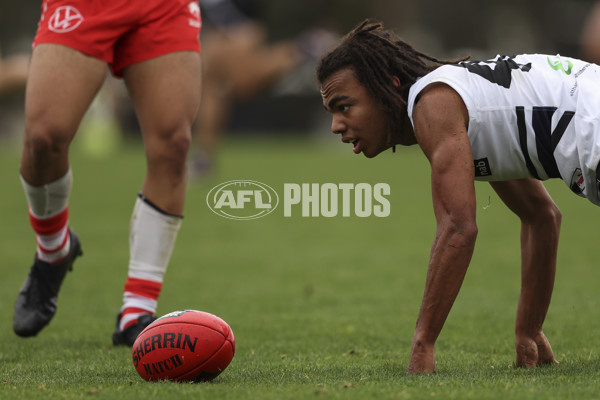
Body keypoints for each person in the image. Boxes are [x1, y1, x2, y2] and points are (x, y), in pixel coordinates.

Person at [315, 20, 600, 374]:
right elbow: (541, 216)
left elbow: (458, 228)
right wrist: (529, 330)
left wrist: (423, 344)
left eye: (344, 107)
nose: (336, 126)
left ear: (387, 87)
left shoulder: (433, 106)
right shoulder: (466, 103)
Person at [14, 0, 202, 347]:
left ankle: (137, 310)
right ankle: (54, 249)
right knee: (44, 136)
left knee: (173, 145)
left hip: (162, 7)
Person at [191, 0, 336, 177]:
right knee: (213, 84)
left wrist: (235, 24)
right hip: (217, 25)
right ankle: (203, 159)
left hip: (236, 20)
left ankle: (306, 46)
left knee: (242, 83)